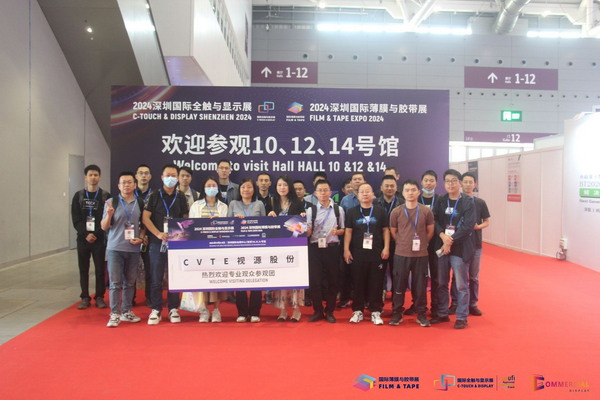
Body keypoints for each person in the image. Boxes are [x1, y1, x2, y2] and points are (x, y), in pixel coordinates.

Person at [142, 164, 189, 325]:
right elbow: (145, 218)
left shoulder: (181, 196)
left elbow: (185, 218)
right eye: (168, 175)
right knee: (156, 276)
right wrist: (157, 233)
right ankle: (156, 309)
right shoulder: (154, 195)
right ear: (162, 177)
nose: (171, 178)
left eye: (174, 175)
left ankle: (173, 308)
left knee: (174, 277)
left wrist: (178, 234)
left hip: (176, 242)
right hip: (157, 242)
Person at [431, 169, 476, 329]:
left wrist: (450, 240)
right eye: (447, 181)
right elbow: (434, 220)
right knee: (441, 282)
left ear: (460, 183)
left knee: (461, 285)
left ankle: (462, 317)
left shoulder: (468, 202)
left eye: (454, 180)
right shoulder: (441, 200)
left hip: (460, 248)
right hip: (442, 246)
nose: (451, 184)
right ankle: (442, 313)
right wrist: (443, 236)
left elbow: (468, 226)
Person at [100, 171, 145, 327]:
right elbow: (104, 227)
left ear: (134, 185)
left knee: (130, 283)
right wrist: (109, 215)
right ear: (118, 186)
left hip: (133, 249)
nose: (126, 185)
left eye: (129, 182)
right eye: (123, 183)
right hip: (115, 248)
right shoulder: (111, 202)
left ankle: (126, 311)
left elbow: (144, 225)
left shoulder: (140, 202)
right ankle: (114, 313)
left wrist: (141, 238)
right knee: (115, 283)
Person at [388, 179, 434, 327]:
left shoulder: (426, 211)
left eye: (413, 190)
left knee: (420, 285)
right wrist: (403, 243)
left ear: (418, 192)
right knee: (399, 284)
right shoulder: (396, 211)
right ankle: (397, 312)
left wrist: (423, 243)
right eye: (407, 190)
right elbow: (393, 232)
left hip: (421, 254)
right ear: (402, 193)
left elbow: (430, 231)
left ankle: (421, 313)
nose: (410, 193)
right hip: (401, 253)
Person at [344, 183, 390, 325]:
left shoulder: (380, 211)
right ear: (357, 195)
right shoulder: (352, 212)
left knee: (376, 283)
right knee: (358, 283)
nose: (365, 194)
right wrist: (346, 249)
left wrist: (386, 248)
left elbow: (385, 230)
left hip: (376, 253)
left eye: (368, 191)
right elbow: (348, 231)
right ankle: (358, 311)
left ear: (373, 194)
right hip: (357, 253)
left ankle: (376, 310)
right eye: (362, 192)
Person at [449, 171, 490, 317]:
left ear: (475, 184)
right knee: (458, 277)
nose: (467, 184)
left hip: (475, 244)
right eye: (465, 182)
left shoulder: (480, 203)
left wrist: (478, 227)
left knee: (473, 276)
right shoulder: (456, 201)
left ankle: (472, 304)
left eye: (470, 182)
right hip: (459, 243)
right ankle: (455, 303)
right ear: (461, 183)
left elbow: (487, 221)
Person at [189, 176, 229, 323]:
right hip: (200, 248)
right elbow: (191, 226)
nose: (211, 188)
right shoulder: (196, 205)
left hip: (219, 248)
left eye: (214, 185)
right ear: (204, 188)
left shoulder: (224, 206)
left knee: (217, 280)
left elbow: (228, 227)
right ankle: (204, 310)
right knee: (202, 280)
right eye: (208, 185)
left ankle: (216, 310)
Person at [71, 164, 111, 310]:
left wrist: (96, 233)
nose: (93, 177)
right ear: (85, 177)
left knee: (100, 269)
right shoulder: (78, 196)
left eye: (96, 175)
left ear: (99, 177)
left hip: (99, 238)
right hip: (83, 239)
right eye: (90, 175)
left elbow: (108, 217)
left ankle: (99, 296)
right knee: (83, 269)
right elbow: (76, 219)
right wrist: (86, 234)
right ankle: (85, 297)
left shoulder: (106, 196)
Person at [305, 179, 345, 323]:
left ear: (330, 192)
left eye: (325, 190)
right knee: (315, 281)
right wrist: (304, 228)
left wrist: (338, 232)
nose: (323, 193)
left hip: (332, 249)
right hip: (315, 249)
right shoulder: (311, 211)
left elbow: (343, 229)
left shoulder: (338, 210)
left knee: (332, 281)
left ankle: (330, 311)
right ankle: (317, 310)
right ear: (315, 193)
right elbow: (308, 233)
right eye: (320, 190)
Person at [268, 174, 306, 322]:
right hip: (277, 246)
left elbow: (301, 227)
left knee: (295, 278)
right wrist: (269, 216)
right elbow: (266, 225)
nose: (282, 188)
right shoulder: (272, 201)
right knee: (281, 278)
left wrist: (301, 217)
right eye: (279, 185)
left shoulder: (297, 203)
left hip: (294, 247)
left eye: (284, 185)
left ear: (289, 187)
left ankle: (296, 310)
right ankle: (283, 309)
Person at [228, 178, 266, 323]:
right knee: (240, 279)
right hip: (238, 247)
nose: (246, 190)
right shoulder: (233, 204)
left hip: (256, 246)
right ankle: (242, 313)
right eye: (243, 187)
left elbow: (265, 225)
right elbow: (227, 224)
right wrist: (235, 220)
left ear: (253, 189)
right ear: (239, 189)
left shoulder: (259, 204)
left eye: (249, 187)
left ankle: (255, 312)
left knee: (256, 279)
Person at [375, 175, 405, 303]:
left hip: (397, 243)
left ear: (396, 188)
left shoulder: (403, 203)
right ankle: (379, 296)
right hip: (378, 243)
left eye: (392, 186)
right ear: (381, 188)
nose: (389, 188)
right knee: (378, 271)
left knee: (397, 272)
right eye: (386, 186)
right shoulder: (374, 203)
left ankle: (396, 298)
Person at [135, 164, 153, 307]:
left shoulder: (154, 195)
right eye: (141, 173)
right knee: (130, 270)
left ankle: (150, 297)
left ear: (150, 176)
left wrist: (145, 234)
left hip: (148, 238)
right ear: (136, 176)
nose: (144, 176)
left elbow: (153, 218)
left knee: (150, 270)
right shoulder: (129, 194)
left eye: (146, 173)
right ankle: (130, 298)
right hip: (132, 237)